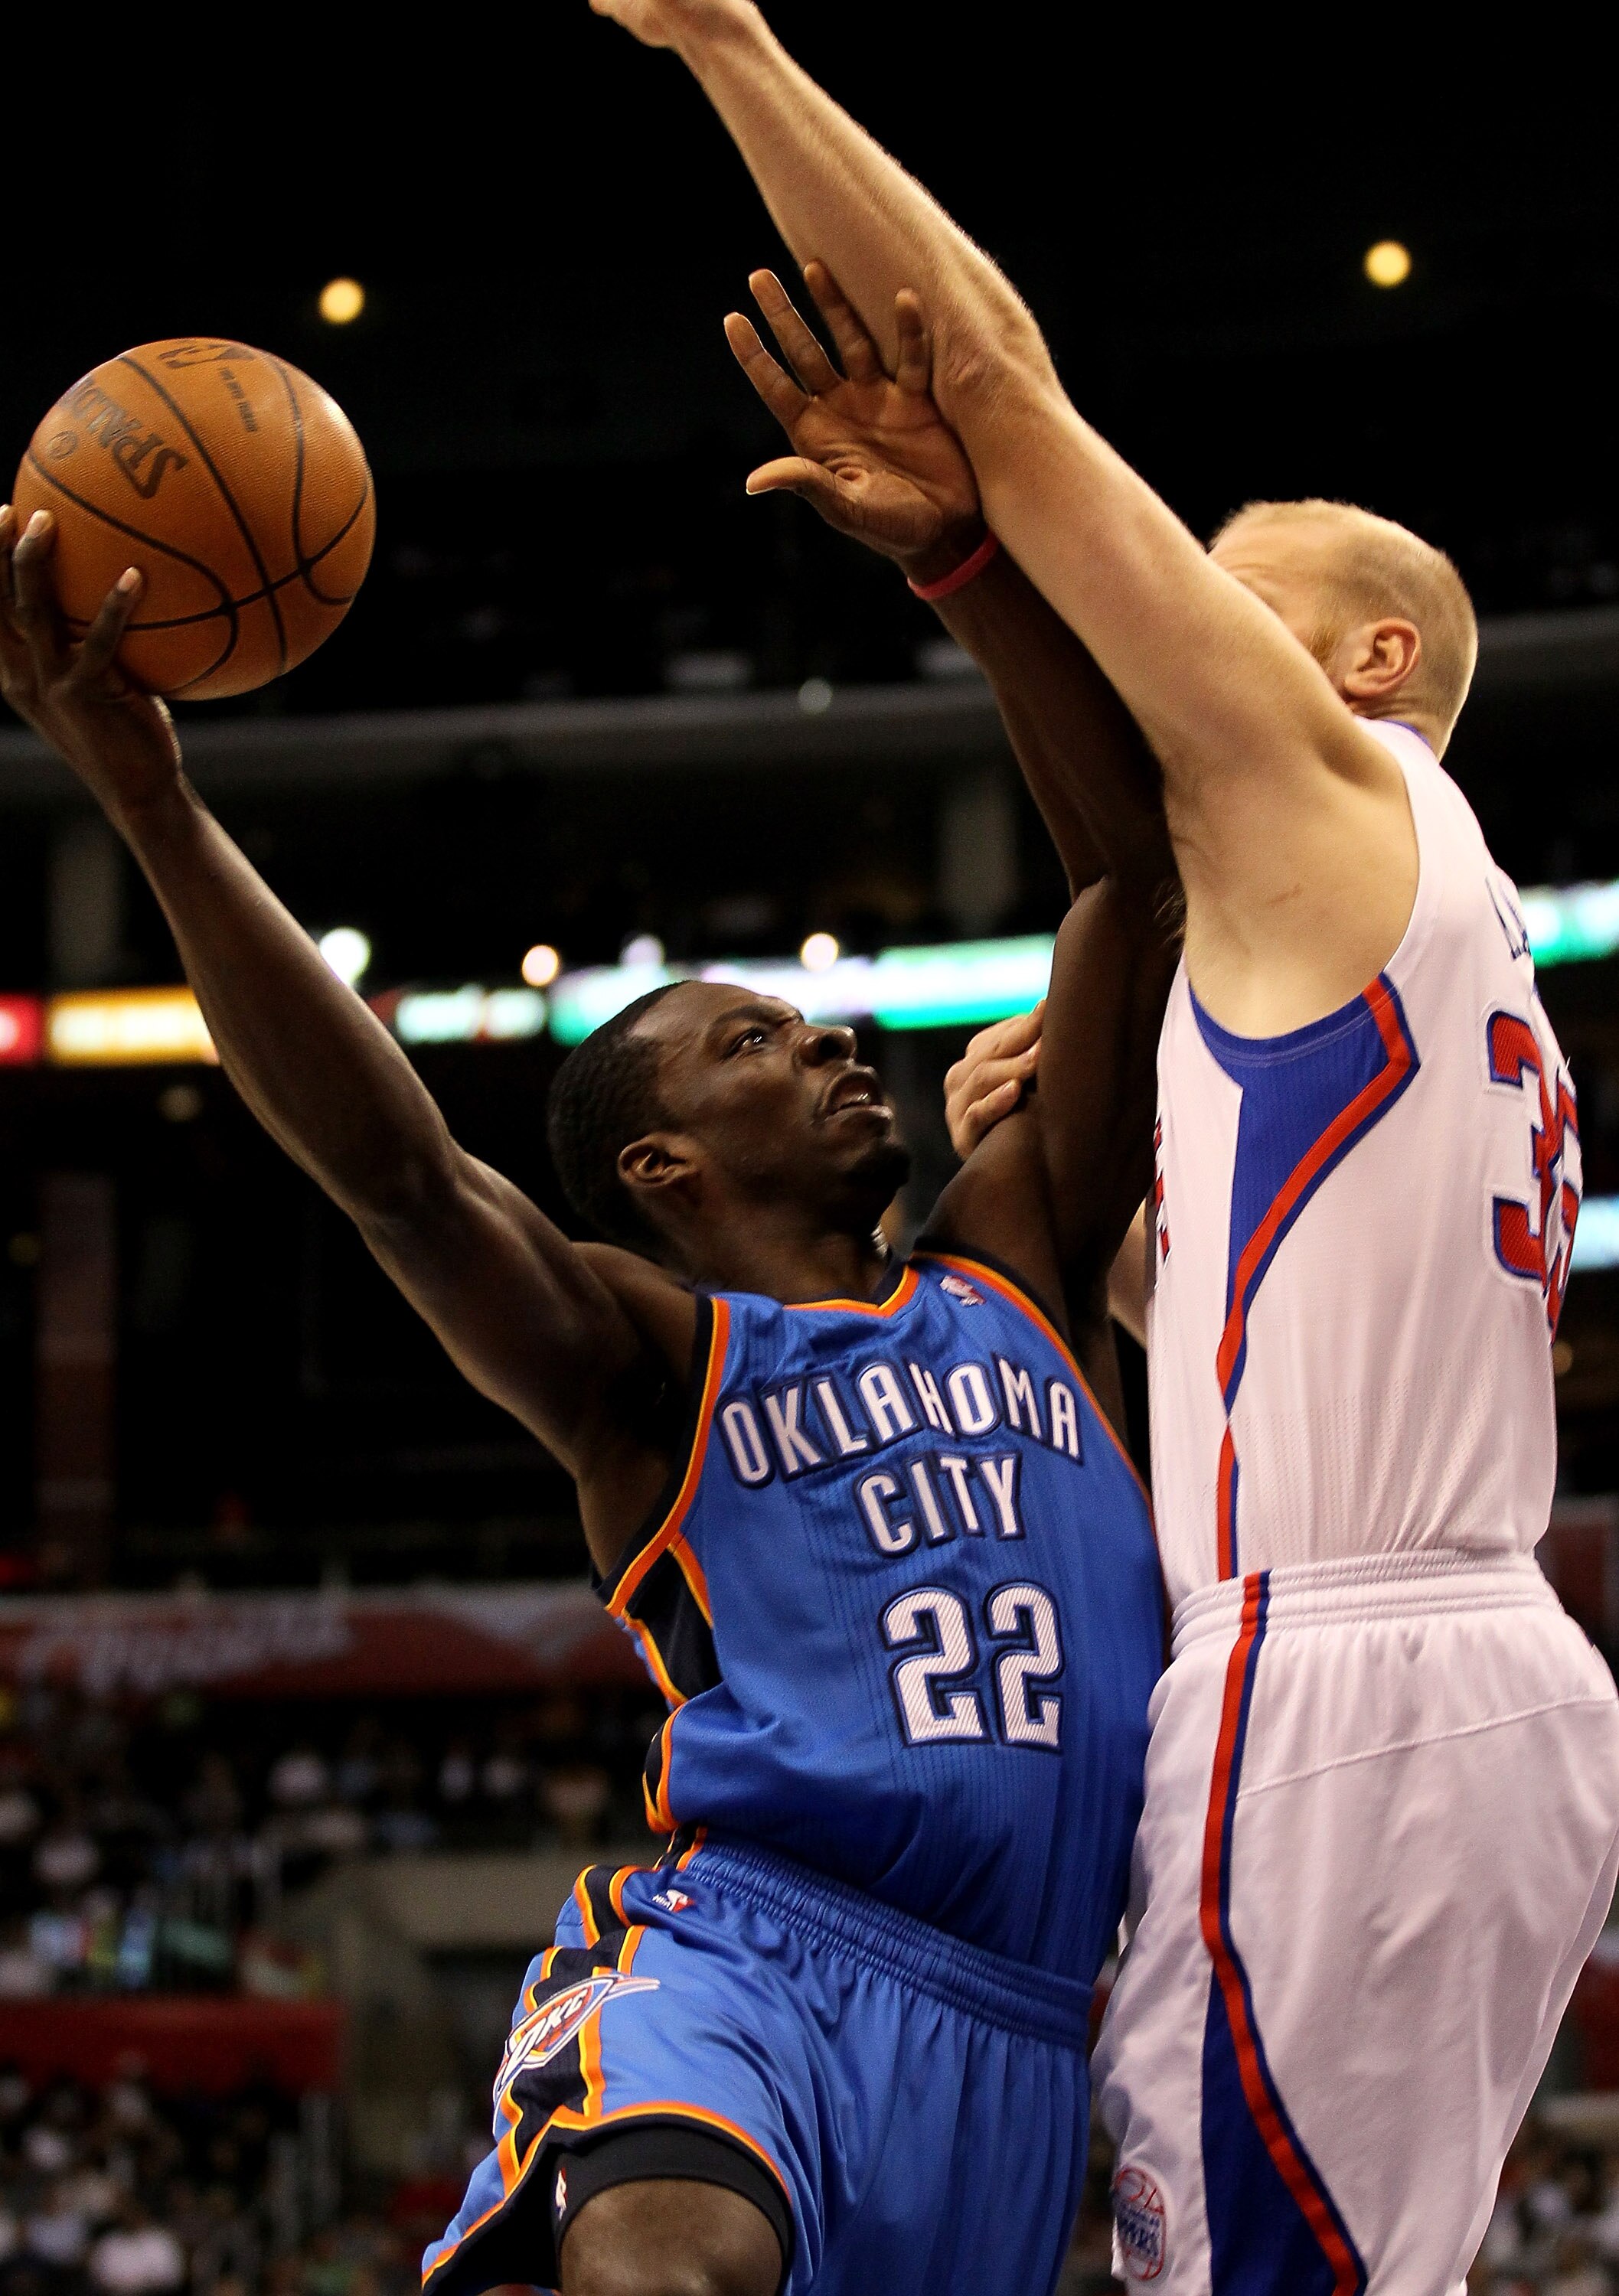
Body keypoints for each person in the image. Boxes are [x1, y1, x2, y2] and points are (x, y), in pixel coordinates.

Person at [0, 284, 1173, 2296]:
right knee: (660, 2265)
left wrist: (966, 562)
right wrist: (156, 805)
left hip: (1026, 2027)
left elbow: (1125, 886)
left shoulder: (1019, 1256)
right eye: (749, 1045)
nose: (823, 1049)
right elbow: (392, 1173)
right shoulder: (653, 1366)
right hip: (756, 1958)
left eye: (811, 1029)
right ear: (660, 1168)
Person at [589, 8, 1619, 2291]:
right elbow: (1273, 1318)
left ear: (1360, 659)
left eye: (1214, 589)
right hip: (1460, 1667)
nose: (1155, 610)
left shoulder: (1329, 792)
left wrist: (728, 46)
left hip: (1342, 1683)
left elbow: (994, 370)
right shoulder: (1433, 926)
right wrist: (1142, 1216)